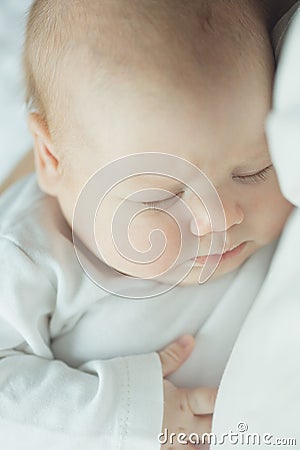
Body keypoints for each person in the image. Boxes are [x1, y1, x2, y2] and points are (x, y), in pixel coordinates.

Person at [0, 1, 294, 449]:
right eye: (161, 196)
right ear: (52, 158)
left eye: (254, 170)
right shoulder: (30, 251)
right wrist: (126, 414)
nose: (221, 218)